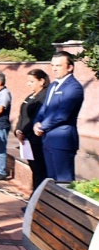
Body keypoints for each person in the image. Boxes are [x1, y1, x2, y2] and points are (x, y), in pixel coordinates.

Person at [33, 51, 85, 183]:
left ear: (69, 67)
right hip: (47, 138)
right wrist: (36, 122)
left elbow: (62, 114)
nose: (54, 69)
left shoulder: (74, 87)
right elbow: (44, 107)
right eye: (53, 65)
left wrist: (42, 126)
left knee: (63, 182)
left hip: (62, 140)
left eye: (58, 65)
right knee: (51, 180)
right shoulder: (53, 85)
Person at [15, 69, 50, 190]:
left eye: (31, 81)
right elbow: (22, 115)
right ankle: (35, 199)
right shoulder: (30, 96)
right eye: (28, 81)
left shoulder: (44, 96)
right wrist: (18, 129)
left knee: (39, 170)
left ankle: (38, 200)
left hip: (36, 139)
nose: (28, 84)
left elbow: (36, 117)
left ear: (41, 81)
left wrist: (24, 131)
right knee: (34, 169)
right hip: (26, 139)